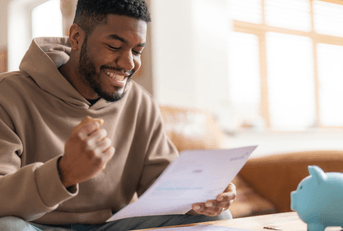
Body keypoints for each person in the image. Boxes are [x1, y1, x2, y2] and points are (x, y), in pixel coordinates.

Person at [0, 0, 236, 230]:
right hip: (37, 225)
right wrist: (63, 173)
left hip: (113, 225)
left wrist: (201, 198)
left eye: (137, 51)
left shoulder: (140, 102)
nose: (128, 63)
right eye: (114, 47)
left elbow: (160, 187)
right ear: (76, 38)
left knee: (220, 217)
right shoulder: (9, 94)